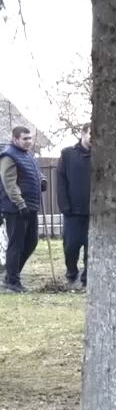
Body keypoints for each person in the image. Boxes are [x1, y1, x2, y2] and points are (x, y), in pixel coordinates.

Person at [1, 126, 45, 293]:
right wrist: (20, 204)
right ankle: (12, 281)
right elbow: (10, 184)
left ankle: (11, 275)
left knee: (31, 242)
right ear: (15, 139)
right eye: (25, 139)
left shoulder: (28, 155)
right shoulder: (9, 156)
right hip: (16, 208)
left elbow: (35, 173)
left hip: (31, 206)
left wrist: (42, 179)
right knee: (16, 244)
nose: (29, 141)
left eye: (30, 138)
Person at [57, 124, 92, 288]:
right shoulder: (68, 154)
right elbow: (61, 181)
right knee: (71, 246)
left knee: (90, 249)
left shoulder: (102, 155)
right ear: (83, 134)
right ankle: (72, 273)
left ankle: (87, 278)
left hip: (94, 212)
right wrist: (64, 205)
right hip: (73, 211)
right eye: (92, 133)